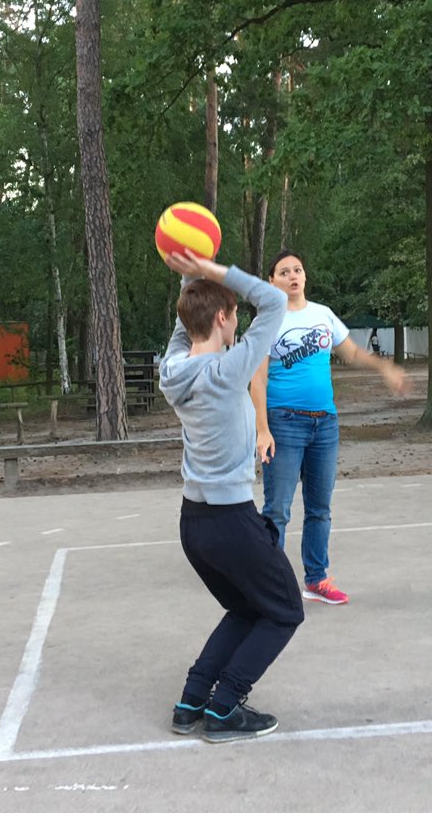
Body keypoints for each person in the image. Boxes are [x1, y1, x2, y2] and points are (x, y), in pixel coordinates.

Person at [158, 249, 305, 743]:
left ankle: (192, 701)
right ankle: (224, 708)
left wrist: (191, 279)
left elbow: (188, 327)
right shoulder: (228, 371)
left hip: (194, 524)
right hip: (229, 521)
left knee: (246, 607)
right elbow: (273, 301)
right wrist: (213, 271)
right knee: (285, 608)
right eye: (233, 316)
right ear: (222, 318)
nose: (240, 323)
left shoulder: (173, 368)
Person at [250, 250, 408, 605]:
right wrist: (262, 428)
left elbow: (351, 352)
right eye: (284, 271)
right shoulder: (267, 321)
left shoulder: (323, 315)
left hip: (325, 424)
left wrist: (384, 368)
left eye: (298, 270)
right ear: (271, 281)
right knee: (277, 509)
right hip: (284, 422)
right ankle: (266, 584)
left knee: (320, 508)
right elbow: (257, 379)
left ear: (305, 277)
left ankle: (317, 579)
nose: (293, 276)